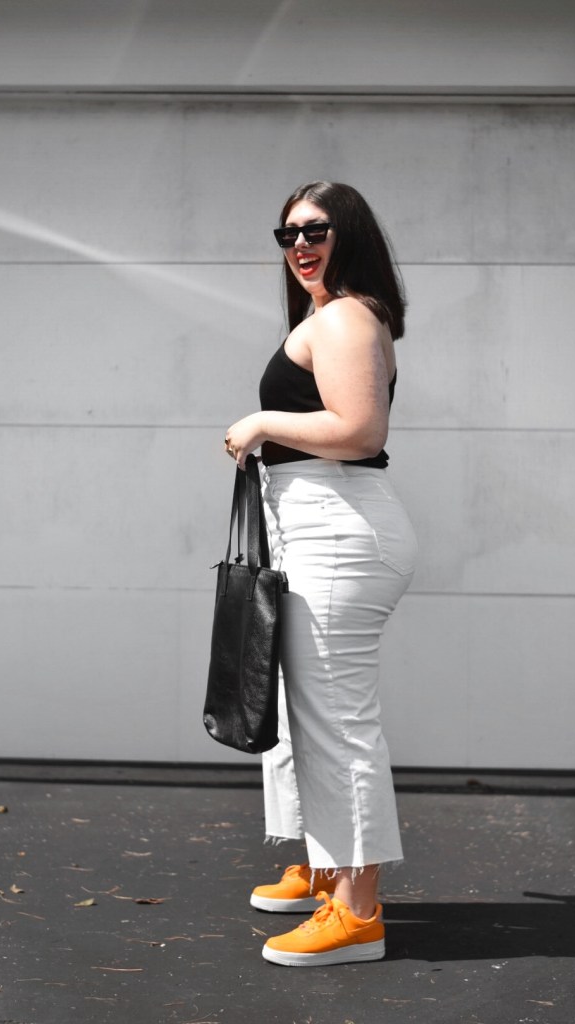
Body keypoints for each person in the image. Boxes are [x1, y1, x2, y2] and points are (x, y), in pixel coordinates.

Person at [224, 181, 418, 967]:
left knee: (337, 718)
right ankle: (329, 868)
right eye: (287, 233)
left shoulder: (344, 318)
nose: (299, 244)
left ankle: (357, 913)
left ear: (350, 234)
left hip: (337, 531)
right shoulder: (329, 315)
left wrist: (261, 422)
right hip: (316, 525)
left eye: (315, 229)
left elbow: (359, 430)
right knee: (305, 709)